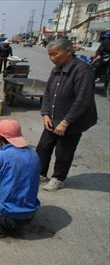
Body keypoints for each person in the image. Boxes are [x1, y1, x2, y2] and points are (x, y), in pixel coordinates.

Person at [36, 38, 98, 192]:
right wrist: (45, 114)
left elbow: (83, 100)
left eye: (55, 54)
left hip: (73, 121)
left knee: (64, 151)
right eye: (50, 55)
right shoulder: (56, 70)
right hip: (53, 117)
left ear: (68, 51)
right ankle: (40, 174)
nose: (52, 58)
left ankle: (58, 178)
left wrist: (66, 122)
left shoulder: (82, 70)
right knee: (43, 147)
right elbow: (48, 93)